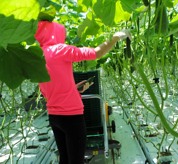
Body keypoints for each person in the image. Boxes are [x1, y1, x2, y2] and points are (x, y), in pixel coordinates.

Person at [34, 20, 131, 164]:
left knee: (65, 159)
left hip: (55, 118)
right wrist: (115, 37)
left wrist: (74, 90)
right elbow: (96, 53)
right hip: (72, 118)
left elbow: (47, 92)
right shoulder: (61, 49)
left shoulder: (37, 57)